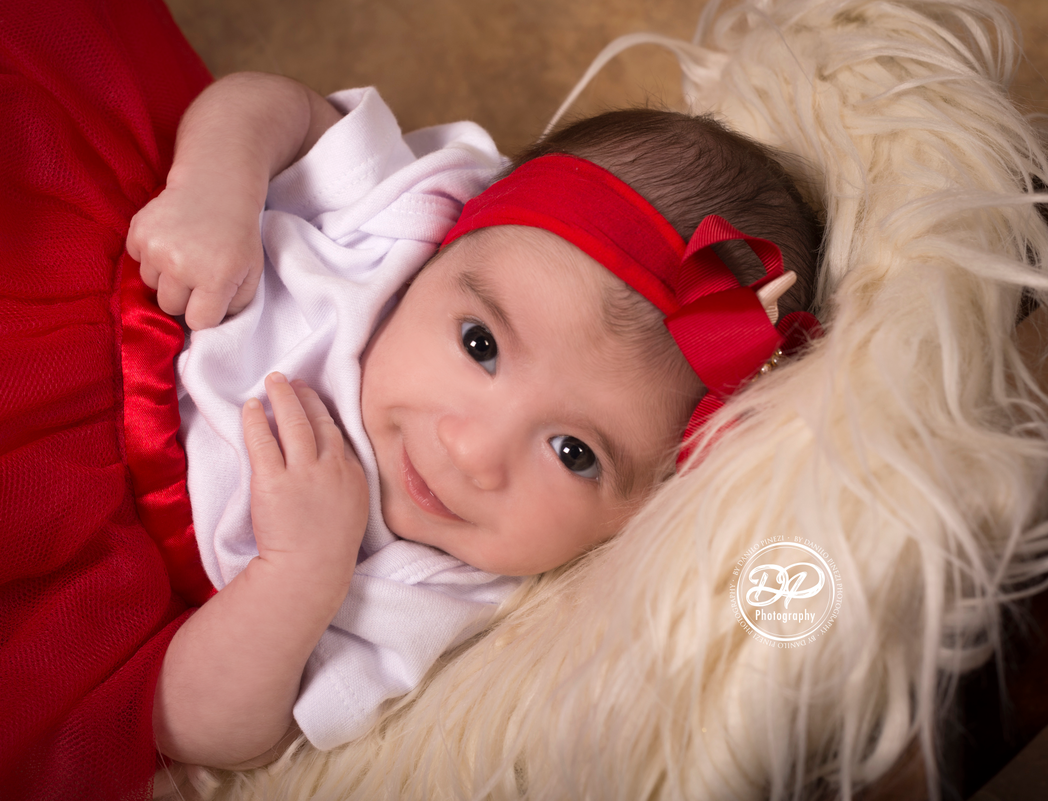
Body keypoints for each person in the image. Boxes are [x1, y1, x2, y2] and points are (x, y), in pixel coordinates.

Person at [129, 72, 823, 771]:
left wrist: (300, 573)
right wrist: (215, 190)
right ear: (450, 244)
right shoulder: (404, 219)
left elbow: (193, 728)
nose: (472, 453)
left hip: (97, 556)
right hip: (91, 296)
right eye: (479, 345)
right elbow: (275, 106)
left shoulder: (441, 596)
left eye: (574, 452)